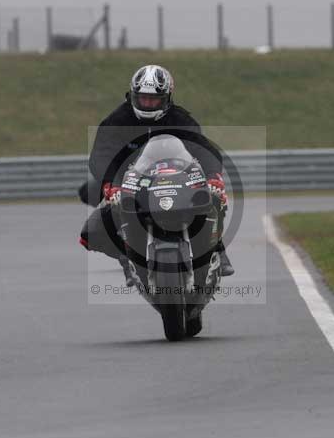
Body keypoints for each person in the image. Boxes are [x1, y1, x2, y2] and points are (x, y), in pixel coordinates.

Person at [80, 65, 234, 285]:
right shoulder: (116, 120)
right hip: (131, 180)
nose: (148, 104)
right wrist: (111, 183)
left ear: (167, 98)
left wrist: (212, 176)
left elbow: (203, 148)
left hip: (177, 177)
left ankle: (216, 248)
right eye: (142, 98)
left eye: (154, 100)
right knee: (92, 231)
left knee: (213, 197)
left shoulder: (180, 118)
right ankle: (127, 257)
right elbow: (101, 155)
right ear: (132, 95)